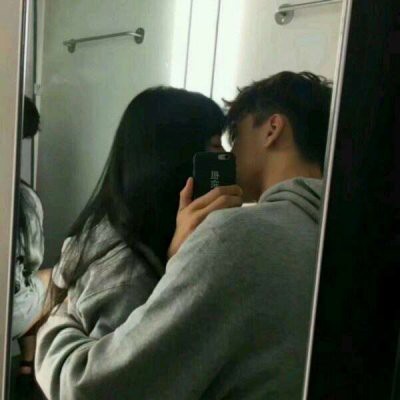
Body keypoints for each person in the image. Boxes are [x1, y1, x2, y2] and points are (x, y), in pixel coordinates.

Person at [35, 72, 332, 400]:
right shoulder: (341, 239)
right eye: (217, 144)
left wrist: (58, 319)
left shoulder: (230, 238)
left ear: (272, 129)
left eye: (234, 136)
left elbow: (94, 390)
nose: (228, 155)